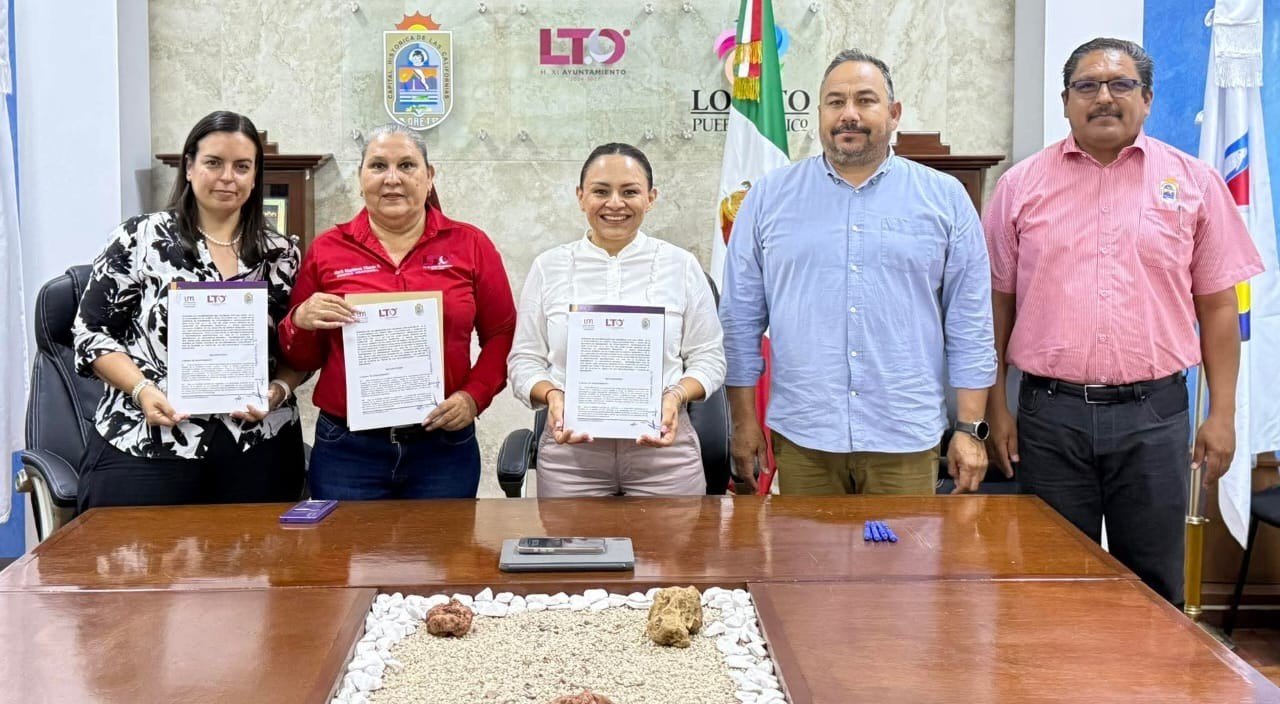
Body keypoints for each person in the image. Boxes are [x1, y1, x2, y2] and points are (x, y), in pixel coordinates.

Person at [982, 37, 1265, 604]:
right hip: (1049, 416)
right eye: (1087, 86)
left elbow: (1217, 307)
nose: (1104, 97)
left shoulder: (1194, 183)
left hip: (1154, 415)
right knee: (1052, 583)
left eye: (1121, 85)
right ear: (1066, 101)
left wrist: (1223, 414)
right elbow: (995, 307)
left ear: (1148, 98)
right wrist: (996, 408)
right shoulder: (1020, 186)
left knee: (1155, 585)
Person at [719, 49, 996, 497]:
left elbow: (970, 323)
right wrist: (744, 422)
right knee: (804, 547)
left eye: (865, 100)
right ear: (819, 113)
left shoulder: (944, 199)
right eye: (835, 102)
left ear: (894, 113)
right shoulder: (770, 197)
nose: (849, 114)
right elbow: (740, 321)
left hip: (905, 436)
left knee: (903, 548)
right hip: (805, 438)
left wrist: (970, 427)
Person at [73, 110, 306, 511]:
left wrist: (277, 391)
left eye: (242, 166)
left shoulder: (281, 254)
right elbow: (90, 332)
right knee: (129, 551)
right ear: (189, 166)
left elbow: (300, 346)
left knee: (259, 553)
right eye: (214, 163)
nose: (227, 177)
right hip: (147, 440)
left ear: (255, 176)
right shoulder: (139, 239)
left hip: (257, 444)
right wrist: (142, 390)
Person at [279, 123, 516, 500]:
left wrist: (474, 396)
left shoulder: (470, 244)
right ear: (360, 178)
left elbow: (502, 334)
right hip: (348, 450)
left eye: (407, 165)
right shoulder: (327, 250)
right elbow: (304, 358)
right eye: (378, 166)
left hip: (442, 449)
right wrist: (299, 321)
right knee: (346, 541)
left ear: (429, 175)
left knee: (443, 541)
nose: (392, 179)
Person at [507, 143, 725, 497]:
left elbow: (710, 359)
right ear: (580, 197)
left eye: (630, 192)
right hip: (571, 457)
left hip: (664, 453)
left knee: (678, 538)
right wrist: (552, 395)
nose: (614, 203)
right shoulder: (548, 267)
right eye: (600, 191)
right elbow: (524, 361)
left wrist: (675, 396)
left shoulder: (681, 265)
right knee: (570, 538)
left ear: (651, 198)